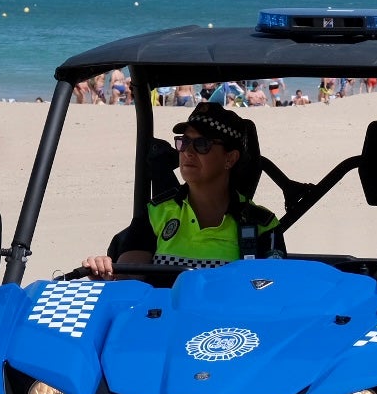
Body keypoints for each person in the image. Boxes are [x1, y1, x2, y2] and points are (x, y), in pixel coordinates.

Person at [79, 103, 280, 274]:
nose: (188, 152)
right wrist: (105, 274)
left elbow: (273, 291)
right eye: (184, 142)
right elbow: (129, 281)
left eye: (202, 144)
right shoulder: (155, 213)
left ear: (230, 158)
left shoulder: (262, 225)